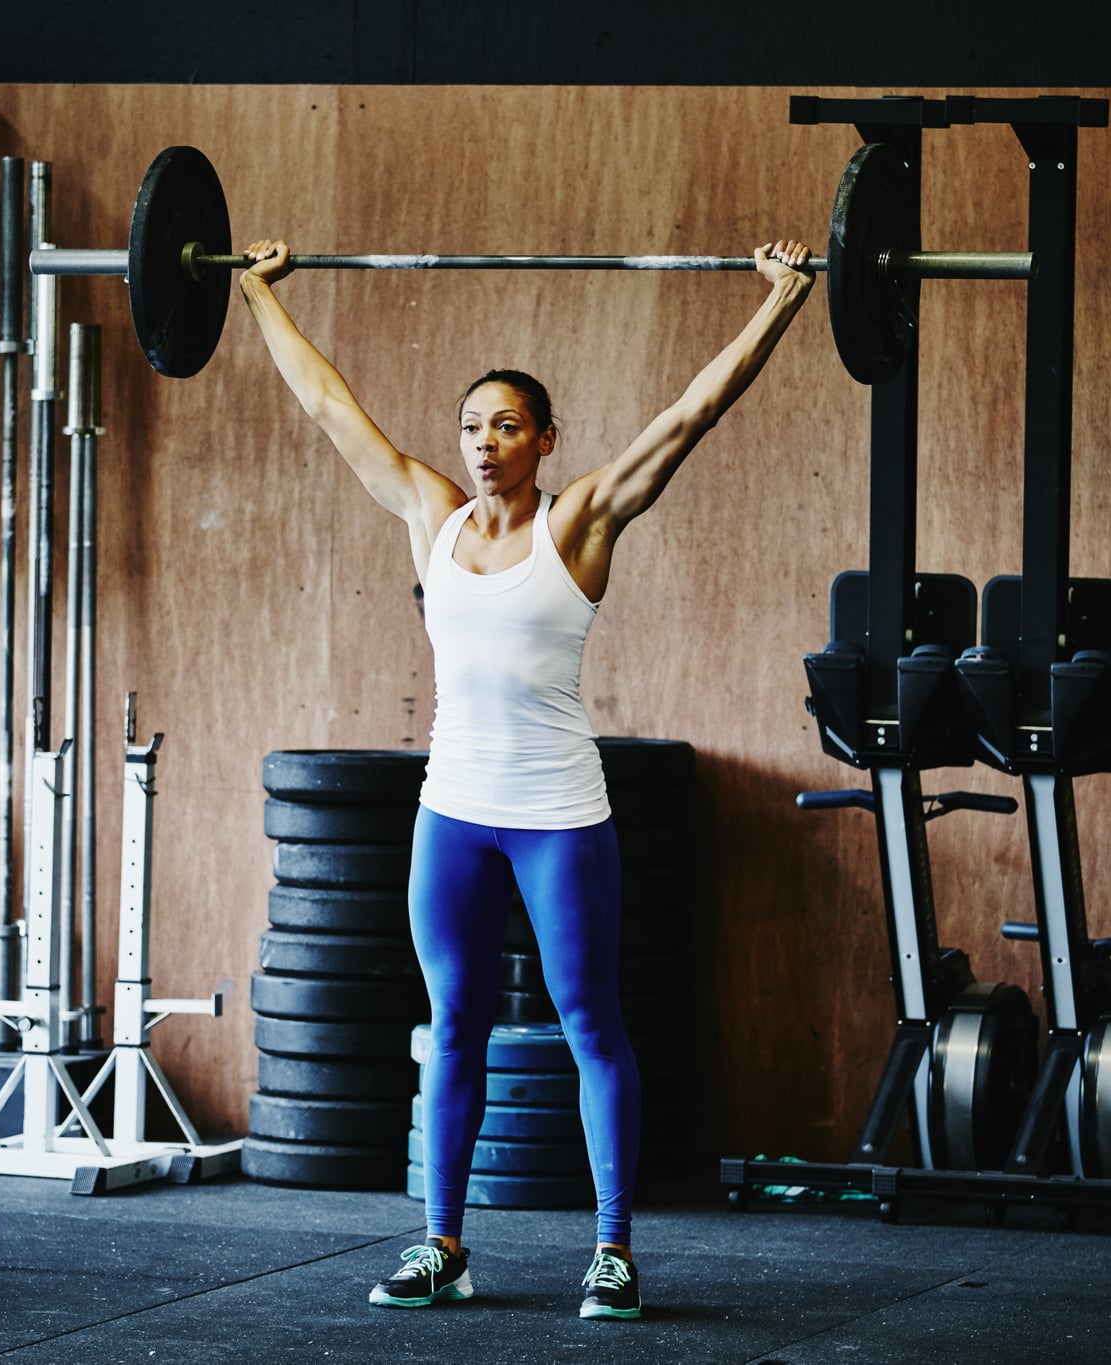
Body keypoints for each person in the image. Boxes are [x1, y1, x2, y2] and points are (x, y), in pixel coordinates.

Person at [239, 236, 813, 1321]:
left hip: (557, 815)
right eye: (470, 425)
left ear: (545, 441)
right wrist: (255, 291)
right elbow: (326, 405)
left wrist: (779, 300)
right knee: (451, 1023)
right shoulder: (428, 515)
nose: (483, 441)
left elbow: (689, 415)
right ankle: (442, 1247)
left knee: (590, 1023)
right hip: (451, 815)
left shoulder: (580, 521)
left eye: (506, 424)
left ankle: (611, 1252)